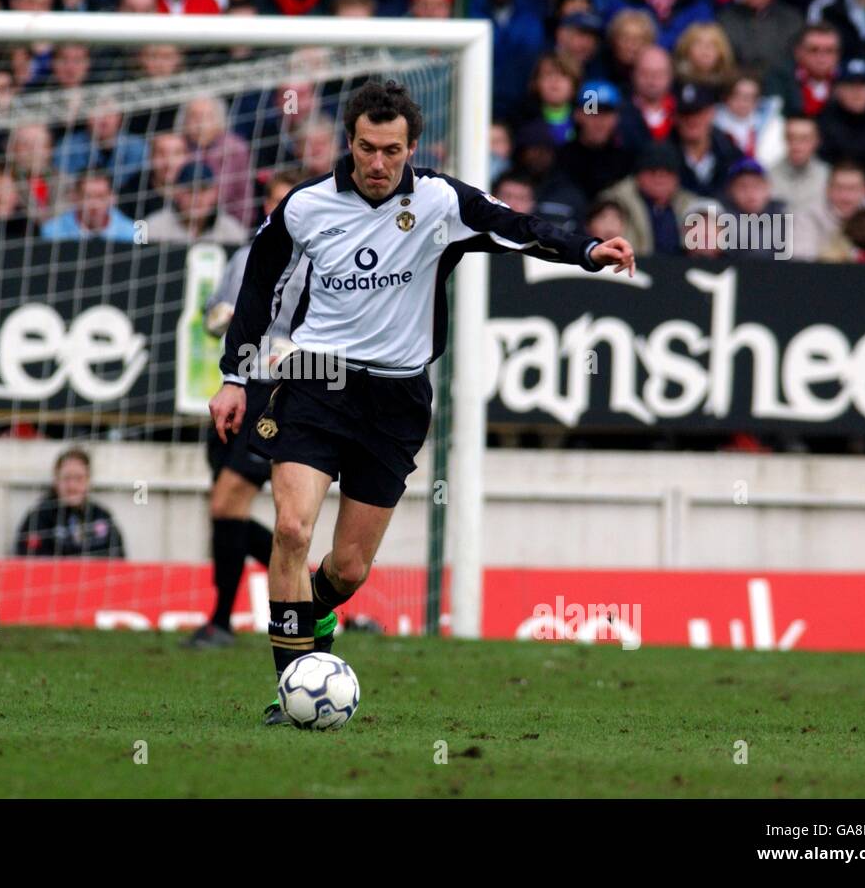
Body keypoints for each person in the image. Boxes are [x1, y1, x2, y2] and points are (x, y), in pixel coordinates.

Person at [208, 81, 634, 725]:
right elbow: (258, 289)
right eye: (367, 148)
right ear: (348, 143)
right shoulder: (304, 207)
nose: (378, 164)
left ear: (413, 148)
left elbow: (516, 227)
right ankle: (292, 686)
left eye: (392, 151)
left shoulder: (440, 201)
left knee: (348, 570)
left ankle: (316, 613)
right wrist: (236, 377)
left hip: (397, 397)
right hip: (315, 381)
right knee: (292, 529)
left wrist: (586, 252)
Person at [183, 170, 304, 650]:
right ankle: (312, 596)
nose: (279, 214)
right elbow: (215, 316)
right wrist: (225, 320)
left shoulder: (320, 259)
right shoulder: (246, 256)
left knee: (228, 503)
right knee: (230, 512)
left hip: (279, 393)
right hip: (238, 389)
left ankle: (220, 622)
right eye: (273, 205)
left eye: (287, 205)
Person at [15, 448, 125, 558]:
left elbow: (119, 563)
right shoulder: (39, 517)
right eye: (66, 478)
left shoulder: (102, 517)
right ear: (56, 480)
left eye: (79, 478)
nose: (72, 486)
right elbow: (27, 564)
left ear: (88, 481)